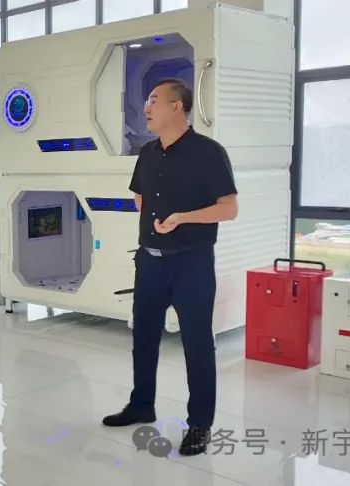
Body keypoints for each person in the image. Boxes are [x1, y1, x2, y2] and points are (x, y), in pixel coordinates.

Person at [101, 79, 238, 456]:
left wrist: (182, 218)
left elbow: (229, 208)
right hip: (150, 260)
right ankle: (141, 405)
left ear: (177, 107)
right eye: (147, 101)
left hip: (192, 263)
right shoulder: (147, 153)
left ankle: (200, 425)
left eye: (154, 100)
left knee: (197, 343)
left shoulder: (209, 153)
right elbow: (140, 198)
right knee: (143, 337)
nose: (146, 107)